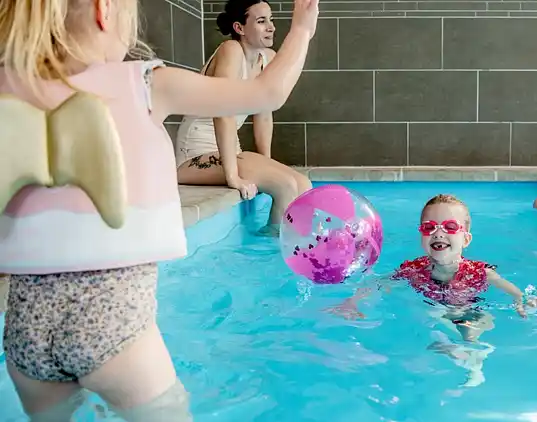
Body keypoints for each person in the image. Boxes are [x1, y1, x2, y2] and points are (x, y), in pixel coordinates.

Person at [0, 0, 318, 419]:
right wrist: (301, 30)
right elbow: (268, 92)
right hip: (111, 321)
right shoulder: (145, 83)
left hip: (25, 330)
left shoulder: (7, 91)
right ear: (104, 10)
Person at [329, 194, 537, 387]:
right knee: (428, 315)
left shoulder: (480, 271)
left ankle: (474, 365)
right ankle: (451, 345)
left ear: (466, 239)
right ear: (422, 236)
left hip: (471, 309)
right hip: (435, 307)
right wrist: (352, 302)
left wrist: (522, 301)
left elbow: (513, 291)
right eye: (429, 227)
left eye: (450, 227)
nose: (438, 233)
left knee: (472, 327)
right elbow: (378, 283)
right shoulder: (414, 269)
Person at [175, 0, 312, 233]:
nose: (271, 27)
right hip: (194, 155)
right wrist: (232, 177)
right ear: (240, 28)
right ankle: (271, 252)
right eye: (261, 21)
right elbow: (222, 112)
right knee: (285, 186)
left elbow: (264, 115)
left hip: (230, 151)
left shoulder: (267, 58)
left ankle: (292, 243)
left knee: (303, 185)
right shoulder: (231, 50)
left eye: (271, 20)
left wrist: (266, 163)